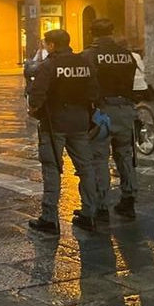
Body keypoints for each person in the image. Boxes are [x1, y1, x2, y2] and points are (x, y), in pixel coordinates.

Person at [27, 29, 99, 233]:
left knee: (52, 168)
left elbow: (36, 95)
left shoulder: (49, 65)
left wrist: (35, 109)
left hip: (54, 122)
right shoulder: (84, 63)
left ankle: (50, 218)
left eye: (45, 44)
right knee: (86, 168)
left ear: (51, 45)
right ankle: (89, 213)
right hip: (80, 122)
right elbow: (94, 91)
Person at [82, 19, 138, 221]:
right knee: (125, 155)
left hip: (101, 112)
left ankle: (101, 206)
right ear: (112, 32)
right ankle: (129, 199)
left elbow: (84, 85)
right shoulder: (126, 55)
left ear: (91, 33)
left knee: (99, 158)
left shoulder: (89, 55)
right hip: (125, 109)